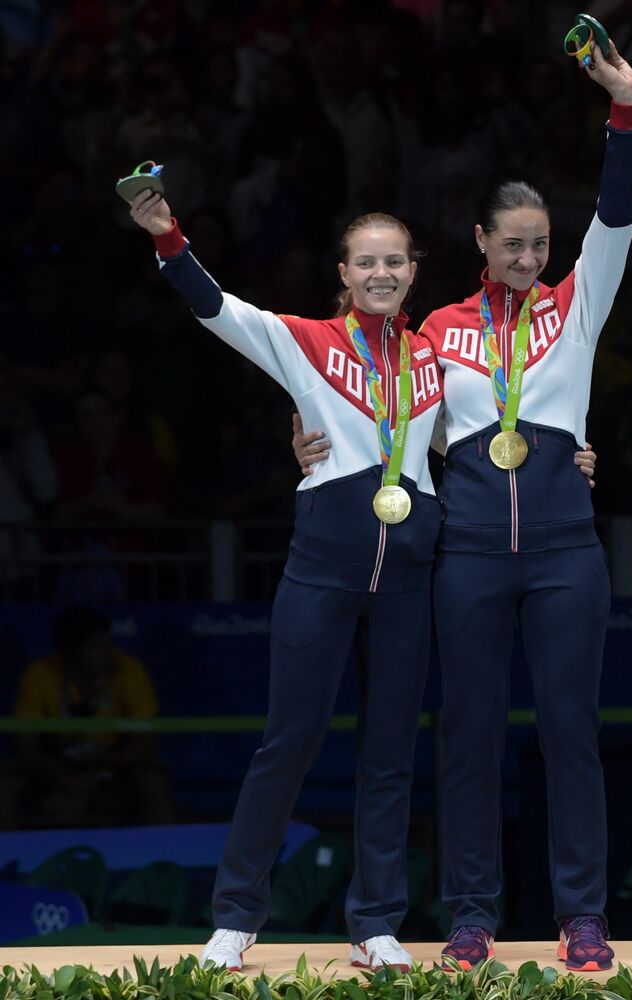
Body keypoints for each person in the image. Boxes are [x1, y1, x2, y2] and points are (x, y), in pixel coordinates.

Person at [296, 41, 632, 974]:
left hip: (569, 551)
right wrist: (310, 433)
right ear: (481, 242)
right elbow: (387, 407)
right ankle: (471, 916)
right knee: (467, 739)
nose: (530, 255)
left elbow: (616, 217)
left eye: (540, 242)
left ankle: (582, 917)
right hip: (471, 553)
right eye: (513, 242)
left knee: (572, 735)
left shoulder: (576, 305)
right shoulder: (440, 331)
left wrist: (624, 111)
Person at [129, 188, 444, 973]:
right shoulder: (304, 340)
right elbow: (218, 309)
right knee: (288, 743)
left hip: (408, 577)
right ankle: (236, 917)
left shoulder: (439, 356)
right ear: (344, 272)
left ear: (413, 272)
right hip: (324, 568)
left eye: (393, 262)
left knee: (389, 755)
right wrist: (168, 232)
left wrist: (574, 456)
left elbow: (498, 430)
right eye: (366, 261)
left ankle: (374, 924)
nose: (380, 273)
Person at [0, 606, 173, 830]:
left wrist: (99, 773)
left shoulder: (130, 671)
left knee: (154, 782)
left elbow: (145, 743)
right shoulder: (39, 674)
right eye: (96, 647)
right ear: (69, 652)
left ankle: (167, 860)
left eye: (109, 644)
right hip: (54, 764)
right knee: (4, 786)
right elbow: (24, 743)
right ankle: (10, 861)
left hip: (114, 762)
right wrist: (60, 775)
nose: (108, 653)